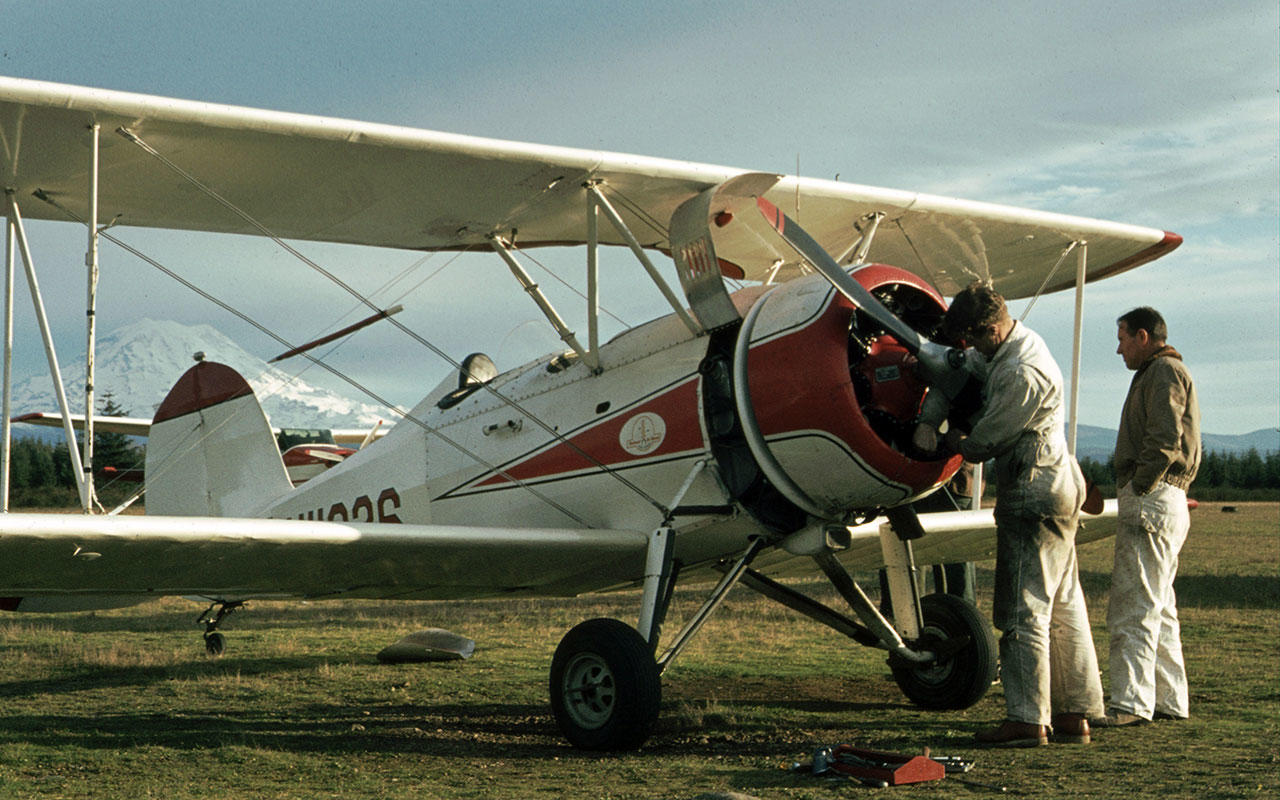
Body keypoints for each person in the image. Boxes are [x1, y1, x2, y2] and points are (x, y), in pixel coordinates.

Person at [938, 282, 1104, 747]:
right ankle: (1075, 713)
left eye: (972, 338)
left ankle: (1028, 718)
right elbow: (981, 362)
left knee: (1021, 607)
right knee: (1064, 605)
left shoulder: (1020, 372)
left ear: (991, 328)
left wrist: (955, 442)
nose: (968, 347)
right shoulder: (1022, 344)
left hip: (1034, 490)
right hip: (1061, 482)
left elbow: (984, 442)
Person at [1098, 307, 1200, 727]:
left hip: (1152, 496)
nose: (1118, 347)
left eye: (1122, 338)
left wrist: (1140, 484)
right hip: (1165, 497)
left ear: (1143, 336)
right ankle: (1169, 700)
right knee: (1160, 607)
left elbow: (1164, 435)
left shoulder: (1162, 373)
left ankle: (1130, 704)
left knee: (1133, 606)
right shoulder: (1164, 372)